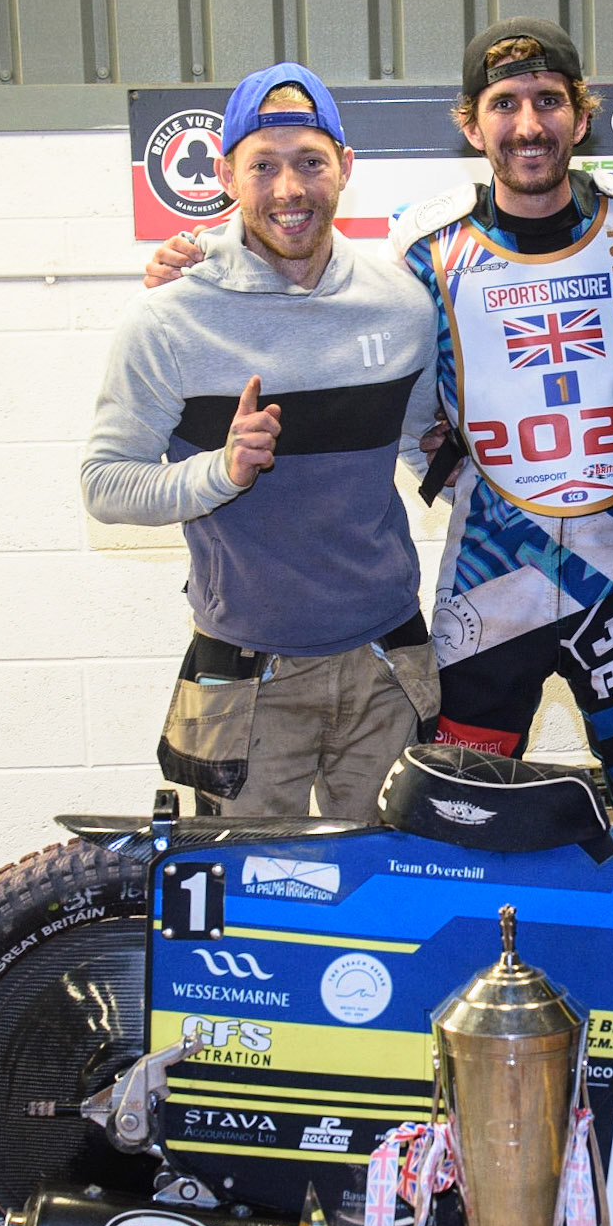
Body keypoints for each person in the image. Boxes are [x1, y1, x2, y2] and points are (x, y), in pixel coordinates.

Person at [83, 63, 441, 820]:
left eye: (310, 162)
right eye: (264, 166)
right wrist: (219, 471)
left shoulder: (402, 306)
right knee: (249, 916)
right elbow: (105, 485)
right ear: (225, 175)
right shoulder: (167, 321)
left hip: (388, 662)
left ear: (345, 167)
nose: (289, 190)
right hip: (246, 679)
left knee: (392, 906)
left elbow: (421, 447)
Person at [386, 17, 613, 816]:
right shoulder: (425, 246)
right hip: (488, 593)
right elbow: (355, 349)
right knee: (457, 829)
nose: (528, 125)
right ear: (471, 123)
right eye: (504, 104)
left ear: (581, 112)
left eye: (547, 100)